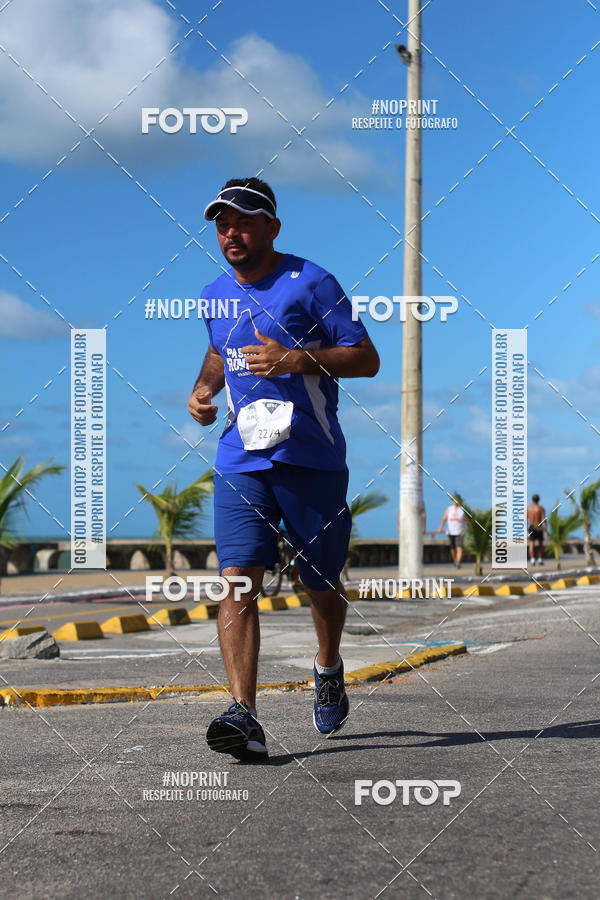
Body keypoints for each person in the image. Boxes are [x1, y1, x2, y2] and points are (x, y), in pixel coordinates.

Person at [188, 177, 380, 760]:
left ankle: (327, 664)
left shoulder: (312, 282)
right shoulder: (212, 293)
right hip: (240, 458)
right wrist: (203, 389)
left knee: (318, 581)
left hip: (311, 458)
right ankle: (244, 715)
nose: (232, 232)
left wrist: (296, 357)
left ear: (272, 225)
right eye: (223, 222)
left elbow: (366, 358)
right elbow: (220, 352)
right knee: (238, 578)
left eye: (244, 221)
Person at [438, 495, 466, 568]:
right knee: (452, 548)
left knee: (459, 547)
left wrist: (469, 529)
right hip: (450, 531)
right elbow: (444, 519)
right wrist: (441, 527)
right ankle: (455, 561)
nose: (455, 501)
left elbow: (467, 521)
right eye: (454, 500)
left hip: (459, 531)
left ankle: (458, 562)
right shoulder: (449, 509)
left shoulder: (462, 510)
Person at [527, 494, 547, 565]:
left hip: (531, 526)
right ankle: (540, 559)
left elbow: (525, 520)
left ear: (532, 500)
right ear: (538, 500)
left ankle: (532, 559)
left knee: (531, 544)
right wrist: (545, 530)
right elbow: (544, 519)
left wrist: (527, 528)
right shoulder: (541, 508)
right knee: (540, 544)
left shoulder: (528, 508)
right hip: (539, 527)